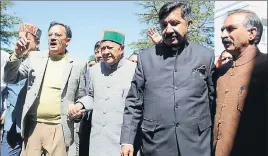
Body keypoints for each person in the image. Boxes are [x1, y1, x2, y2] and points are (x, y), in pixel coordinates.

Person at [120, 2, 215, 156]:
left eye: (175, 23)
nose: (168, 29)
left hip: (197, 144)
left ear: (188, 24)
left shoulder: (205, 56)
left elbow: (213, 100)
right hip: (156, 144)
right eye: (164, 25)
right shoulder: (146, 58)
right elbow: (134, 102)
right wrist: (127, 140)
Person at [3, 21, 89, 156]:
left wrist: (78, 109)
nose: (53, 38)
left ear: (68, 41)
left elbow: (83, 96)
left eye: (58, 35)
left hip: (59, 128)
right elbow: (10, 78)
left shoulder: (79, 64)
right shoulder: (34, 58)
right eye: (50, 35)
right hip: (33, 126)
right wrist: (17, 55)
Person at [213, 9, 267, 156]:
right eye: (223, 30)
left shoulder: (264, 67)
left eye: (231, 29)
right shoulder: (221, 71)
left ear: (252, 33)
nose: (223, 35)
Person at [84, 30, 137, 156]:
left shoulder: (134, 70)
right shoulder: (94, 71)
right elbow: (91, 96)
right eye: (103, 48)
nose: (106, 52)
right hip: (98, 141)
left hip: (122, 142)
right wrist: (81, 104)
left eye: (110, 48)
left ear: (121, 49)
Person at [1, 23, 42, 156]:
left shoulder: (44, 62)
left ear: (37, 42)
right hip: (12, 125)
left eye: (27, 39)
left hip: (34, 127)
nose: (22, 42)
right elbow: (8, 80)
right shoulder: (12, 60)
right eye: (20, 38)